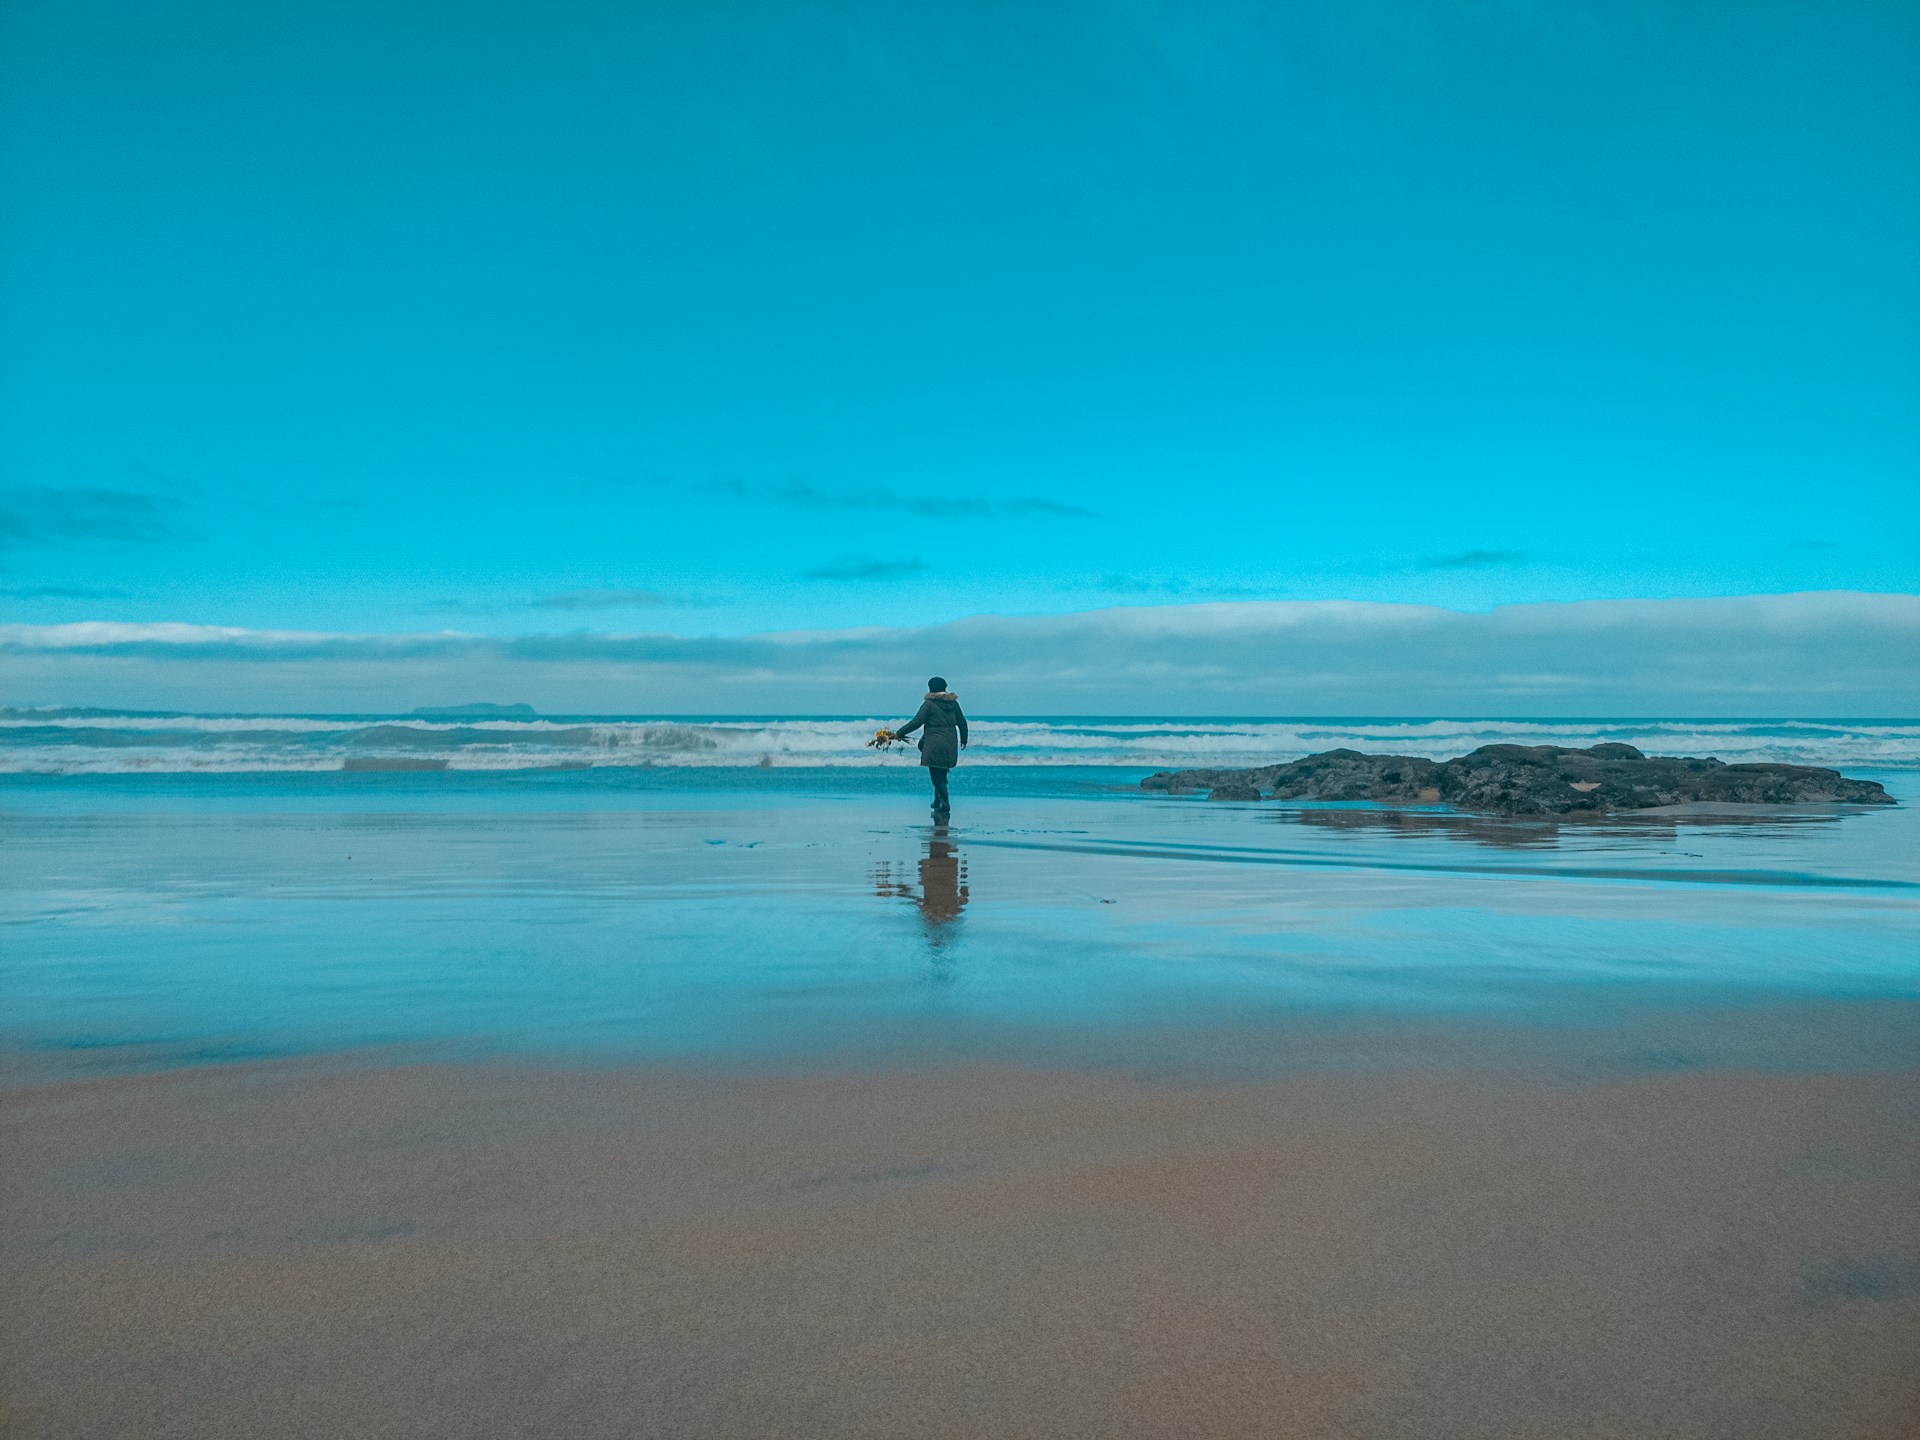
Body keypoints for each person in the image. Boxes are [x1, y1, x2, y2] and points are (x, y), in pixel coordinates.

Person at [891, 677, 967, 815]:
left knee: (936, 775)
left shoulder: (929, 704)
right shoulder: (953, 704)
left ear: (930, 688)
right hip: (950, 742)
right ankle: (937, 800)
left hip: (934, 743)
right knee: (942, 771)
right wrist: (964, 738)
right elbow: (962, 722)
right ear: (945, 688)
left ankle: (945, 802)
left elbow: (916, 722)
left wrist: (899, 733)